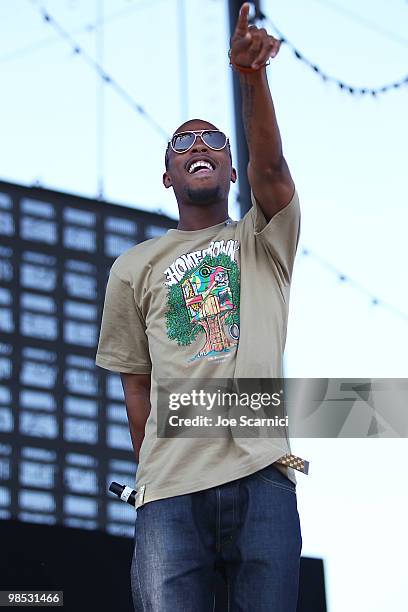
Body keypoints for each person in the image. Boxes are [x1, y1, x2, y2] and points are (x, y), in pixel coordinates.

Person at [96, 4, 308, 610]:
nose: (199, 146)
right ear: (167, 175)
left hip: (263, 476)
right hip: (169, 494)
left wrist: (251, 75)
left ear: (231, 169)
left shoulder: (264, 238)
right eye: (183, 143)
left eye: (212, 142)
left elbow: (273, 165)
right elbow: (134, 380)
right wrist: (154, 467)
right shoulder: (133, 267)